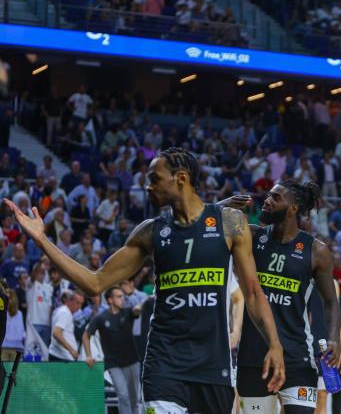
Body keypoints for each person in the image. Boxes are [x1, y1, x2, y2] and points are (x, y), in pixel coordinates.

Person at [4, 147, 285, 414]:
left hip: (213, 366)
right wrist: (42, 240)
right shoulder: (151, 232)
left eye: (154, 179)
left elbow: (252, 292)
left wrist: (275, 344)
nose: (148, 186)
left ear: (181, 179)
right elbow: (95, 282)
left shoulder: (229, 222)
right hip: (163, 365)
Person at [225, 181, 341, 414]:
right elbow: (208, 226)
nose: (267, 201)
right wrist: (221, 206)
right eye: (268, 195)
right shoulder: (253, 235)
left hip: (296, 357)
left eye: (275, 197)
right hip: (253, 357)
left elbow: (331, 302)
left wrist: (334, 339)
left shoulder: (316, 251)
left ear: (293, 208)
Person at [83, 286, 142, 414]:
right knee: (123, 396)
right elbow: (86, 336)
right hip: (113, 363)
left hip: (132, 361)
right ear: (110, 300)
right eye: (119, 297)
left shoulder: (127, 312)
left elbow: (137, 311)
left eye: (123, 296)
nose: (123, 299)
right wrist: (88, 356)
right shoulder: (100, 318)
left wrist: (139, 307)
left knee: (134, 399)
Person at [49, 290, 84, 361]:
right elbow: (56, 333)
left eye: (81, 304)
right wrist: (71, 350)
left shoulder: (63, 311)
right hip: (61, 358)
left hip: (62, 357)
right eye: (77, 303)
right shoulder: (64, 312)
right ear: (69, 301)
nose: (79, 307)